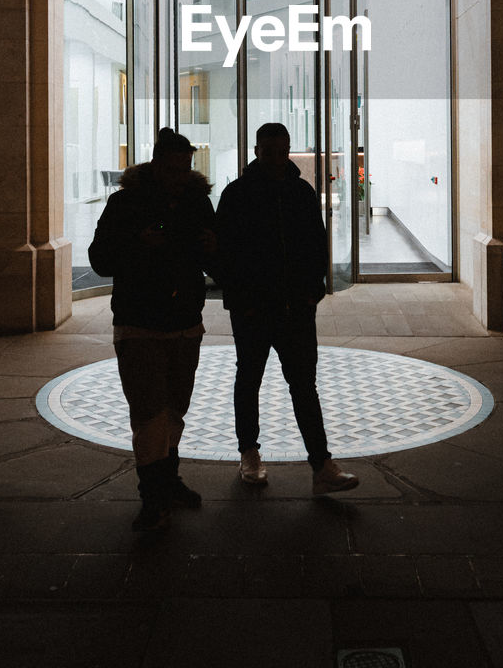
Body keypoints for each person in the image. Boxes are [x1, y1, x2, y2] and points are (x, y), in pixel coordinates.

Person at [215, 122, 359, 496]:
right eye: (270, 152)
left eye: (282, 152)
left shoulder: (297, 192)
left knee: (298, 385)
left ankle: (319, 463)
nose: (277, 159)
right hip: (255, 309)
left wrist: (313, 292)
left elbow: (316, 244)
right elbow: (224, 254)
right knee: (253, 380)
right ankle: (254, 453)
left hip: (294, 307)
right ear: (257, 151)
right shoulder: (240, 194)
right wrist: (241, 299)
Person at [88, 128, 216, 531]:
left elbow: (213, 260)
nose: (179, 176)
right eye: (173, 168)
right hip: (139, 323)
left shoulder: (197, 203)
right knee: (148, 413)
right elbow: (100, 260)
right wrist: (139, 243)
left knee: (175, 409)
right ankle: (153, 495)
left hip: (183, 322)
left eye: (185, 169)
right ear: (157, 164)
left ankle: (167, 483)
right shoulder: (125, 204)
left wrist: (212, 247)